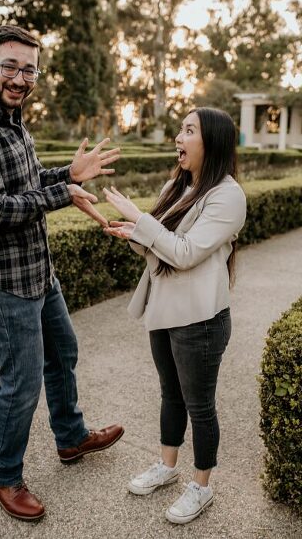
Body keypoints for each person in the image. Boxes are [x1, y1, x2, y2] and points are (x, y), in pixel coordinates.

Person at [0, 24, 125, 521]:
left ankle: (71, 437)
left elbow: (27, 182)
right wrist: (62, 194)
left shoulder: (10, 118)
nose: (20, 79)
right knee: (21, 383)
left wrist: (67, 175)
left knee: (63, 353)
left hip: (36, 272)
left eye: (30, 71)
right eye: (10, 67)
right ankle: (2, 476)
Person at [103, 107, 247, 524]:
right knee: (170, 394)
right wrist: (134, 233)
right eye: (180, 129)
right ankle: (167, 466)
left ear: (212, 142)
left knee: (199, 405)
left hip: (200, 319)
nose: (178, 138)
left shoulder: (228, 196)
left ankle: (201, 486)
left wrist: (139, 219)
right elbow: (159, 244)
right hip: (163, 309)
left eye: (188, 131)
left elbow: (184, 253)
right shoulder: (177, 186)